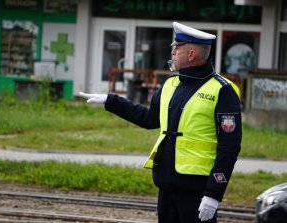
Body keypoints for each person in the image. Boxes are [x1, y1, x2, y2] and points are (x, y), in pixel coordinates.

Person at [79, 22, 242, 223]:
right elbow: (149, 119)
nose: (172, 51)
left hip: (198, 193)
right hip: (166, 188)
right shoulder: (171, 84)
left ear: (191, 54)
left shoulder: (222, 90)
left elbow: (230, 146)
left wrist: (213, 194)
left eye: (177, 48)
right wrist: (112, 101)